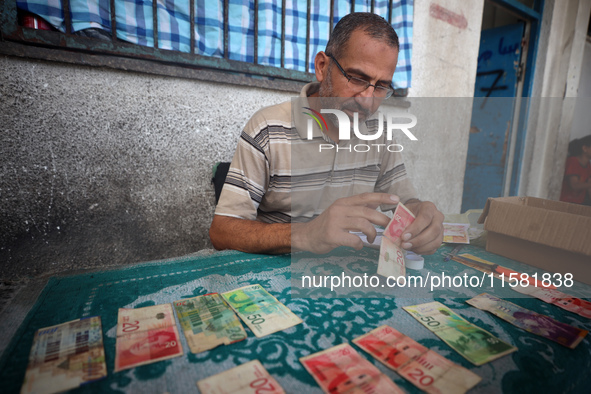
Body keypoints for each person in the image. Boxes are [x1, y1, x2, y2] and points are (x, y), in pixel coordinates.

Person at [209, 12, 444, 255]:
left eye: (381, 86)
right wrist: (305, 233)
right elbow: (222, 231)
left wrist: (421, 217)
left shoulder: (379, 133)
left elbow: (405, 204)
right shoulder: (268, 129)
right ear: (322, 67)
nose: (367, 101)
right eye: (356, 78)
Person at [559, 135, 591, 205]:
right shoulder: (573, 161)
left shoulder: (588, 165)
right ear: (585, 148)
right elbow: (574, 186)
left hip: (578, 204)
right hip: (564, 202)